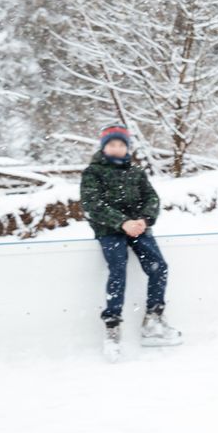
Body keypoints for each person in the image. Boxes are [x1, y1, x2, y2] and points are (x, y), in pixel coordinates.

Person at [79, 124, 178, 361]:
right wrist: (122, 222)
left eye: (121, 145)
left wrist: (144, 219)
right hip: (110, 230)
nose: (117, 149)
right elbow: (92, 204)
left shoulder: (135, 171)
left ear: (127, 148)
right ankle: (112, 325)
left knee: (158, 266)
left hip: (138, 228)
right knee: (118, 269)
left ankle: (153, 317)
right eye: (112, 145)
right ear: (104, 147)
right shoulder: (93, 172)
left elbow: (151, 197)